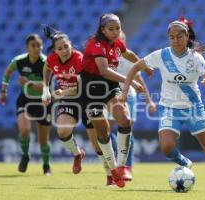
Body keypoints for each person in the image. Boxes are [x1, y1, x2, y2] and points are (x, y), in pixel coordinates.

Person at [121, 17, 205, 192]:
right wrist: (124, 92)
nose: (175, 40)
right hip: (169, 107)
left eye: (179, 36)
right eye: (172, 37)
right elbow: (134, 68)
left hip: (193, 108)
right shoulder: (161, 55)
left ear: (187, 36)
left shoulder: (195, 57)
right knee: (166, 147)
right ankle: (185, 163)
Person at [80, 13, 151, 188]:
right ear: (102, 29)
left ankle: (122, 166)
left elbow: (129, 54)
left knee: (124, 119)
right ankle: (112, 172)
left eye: (118, 28)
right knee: (102, 134)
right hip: (91, 91)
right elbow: (103, 71)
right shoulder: (95, 44)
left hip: (111, 87)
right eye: (111, 29)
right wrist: (131, 81)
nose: (115, 32)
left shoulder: (118, 43)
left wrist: (145, 65)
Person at [42, 26, 96, 174]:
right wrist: (45, 89)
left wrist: (62, 92)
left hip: (86, 99)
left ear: (71, 44)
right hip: (68, 100)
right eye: (60, 48)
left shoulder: (79, 59)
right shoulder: (52, 59)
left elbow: (81, 88)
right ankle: (77, 153)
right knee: (63, 131)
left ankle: (111, 172)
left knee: (97, 144)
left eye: (66, 46)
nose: (64, 50)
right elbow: (47, 68)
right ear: (55, 51)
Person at [0, 34, 52, 175]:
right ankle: (25, 155)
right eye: (33, 45)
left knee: (43, 140)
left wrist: (28, 83)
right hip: (26, 100)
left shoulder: (47, 62)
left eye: (39, 45)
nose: (37, 48)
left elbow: (48, 87)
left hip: (43, 102)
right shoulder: (19, 61)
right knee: (25, 130)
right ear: (27, 47)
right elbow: (8, 72)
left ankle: (46, 166)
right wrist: (3, 90)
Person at [109, 31, 156, 181]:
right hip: (111, 97)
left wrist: (149, 101)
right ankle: (120, 157)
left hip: (129, 96)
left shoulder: (130, 61)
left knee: (128, 130)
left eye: (120, 41)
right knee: (107, 131)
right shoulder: (106, 59)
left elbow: (141, 82)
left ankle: (127, 167)